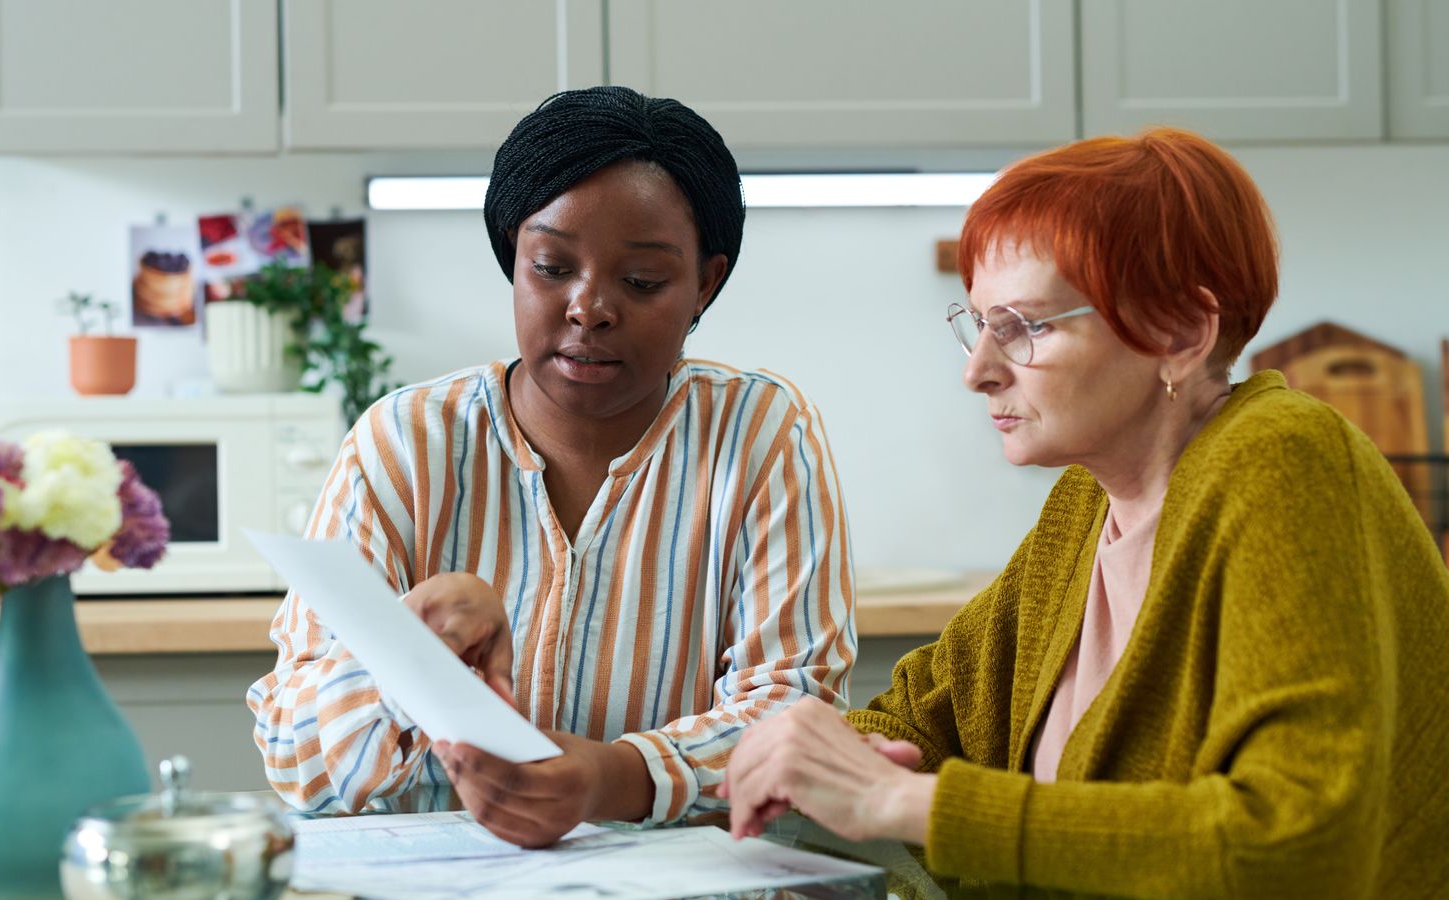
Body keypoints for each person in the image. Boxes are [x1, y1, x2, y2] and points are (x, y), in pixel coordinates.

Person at [721, 128, 1449, 898]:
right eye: (978, 323)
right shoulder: (1092, 498)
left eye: (1025, 327)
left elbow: (1296, 842)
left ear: (1180, 333)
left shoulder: (1286, 461)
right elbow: (930, 719)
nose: (977, 371)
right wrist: (809, 756)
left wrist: (899, 801)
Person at [247, 86, 856, 847]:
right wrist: (411, 656)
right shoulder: (403, 442)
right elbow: (291, 757)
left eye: (641, 282)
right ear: (513, 258)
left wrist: (614, 777)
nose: (589, 308)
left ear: (705, 283)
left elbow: (795, 712)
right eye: (551, 267)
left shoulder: (759, 433)